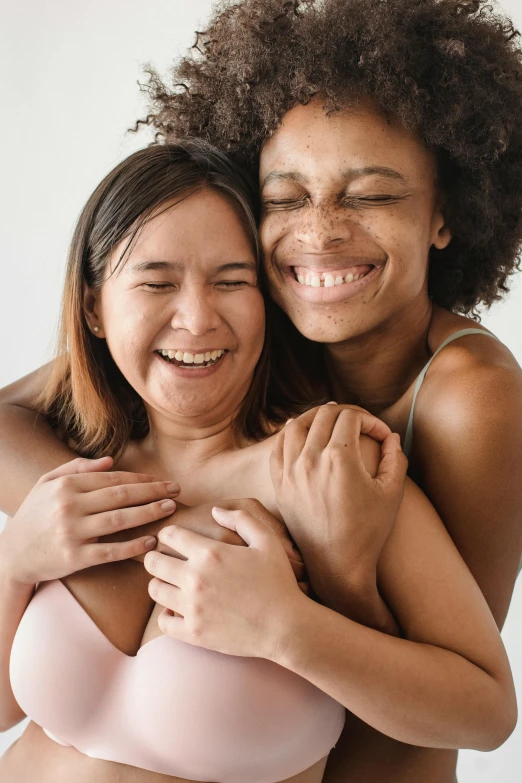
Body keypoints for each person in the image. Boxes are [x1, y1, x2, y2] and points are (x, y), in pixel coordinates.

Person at [0, 142, 516, 783]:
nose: (196, 318)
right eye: (157, 283)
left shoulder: (324, 472)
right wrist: (15, 562)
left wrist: (287, 628)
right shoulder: (77, 463)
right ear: (93, 310)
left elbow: (487, 713)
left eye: (232, 281)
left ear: (266, 302)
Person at [126, 1, 522, 780]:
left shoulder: (472, 399)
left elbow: (447, 705)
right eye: (284, 197)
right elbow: (19, 410)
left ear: (445, 215)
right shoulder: (233, 328)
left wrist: (335, 578)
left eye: (370, 195)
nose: (321, 231)